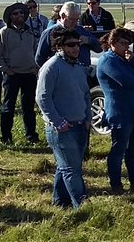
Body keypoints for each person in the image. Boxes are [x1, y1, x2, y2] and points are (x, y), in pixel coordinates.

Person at [36, 27, 92, 208]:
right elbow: (42, 98)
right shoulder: (51, 67)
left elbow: (85, 95)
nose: (76, 48)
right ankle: (83, 207)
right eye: (70, 45)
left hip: (80, 125)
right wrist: (58, 122)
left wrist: (87, 118)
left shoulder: (78, 67)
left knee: (65, 167)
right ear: (58, 46)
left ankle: (60, 203)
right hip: (61, 129)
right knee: (72, 170)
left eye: (78, 44)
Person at [96, 28, 134, 194]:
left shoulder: (128, 59)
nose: (126, 47)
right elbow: (127, 81)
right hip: (120, 111)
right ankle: (116, 184)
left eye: (128, 43)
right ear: (112, 43)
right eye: (122, 43)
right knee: (118, 149)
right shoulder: (107, 60)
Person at [0, 2, 40, 145]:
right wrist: (6, 69)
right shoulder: (3, 33)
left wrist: (35, 67)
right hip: (12, 75)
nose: (19, 15)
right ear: (10, 17)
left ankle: (31, 136)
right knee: (8, 107)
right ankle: (6, 137)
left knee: (29, 107)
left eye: (21, 13)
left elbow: (36, 51)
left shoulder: (30, 32)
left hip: (29, 74)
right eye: (15, 13)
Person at [35, 2, 102, 67]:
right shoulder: (50, 32)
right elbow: (39, 59)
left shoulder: (81, 30)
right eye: (71, 19)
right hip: (61, 75)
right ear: (63, 16)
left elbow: (99, 48)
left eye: (77, 19)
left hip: (82, 74)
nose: (74, 22)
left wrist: (88, 40)